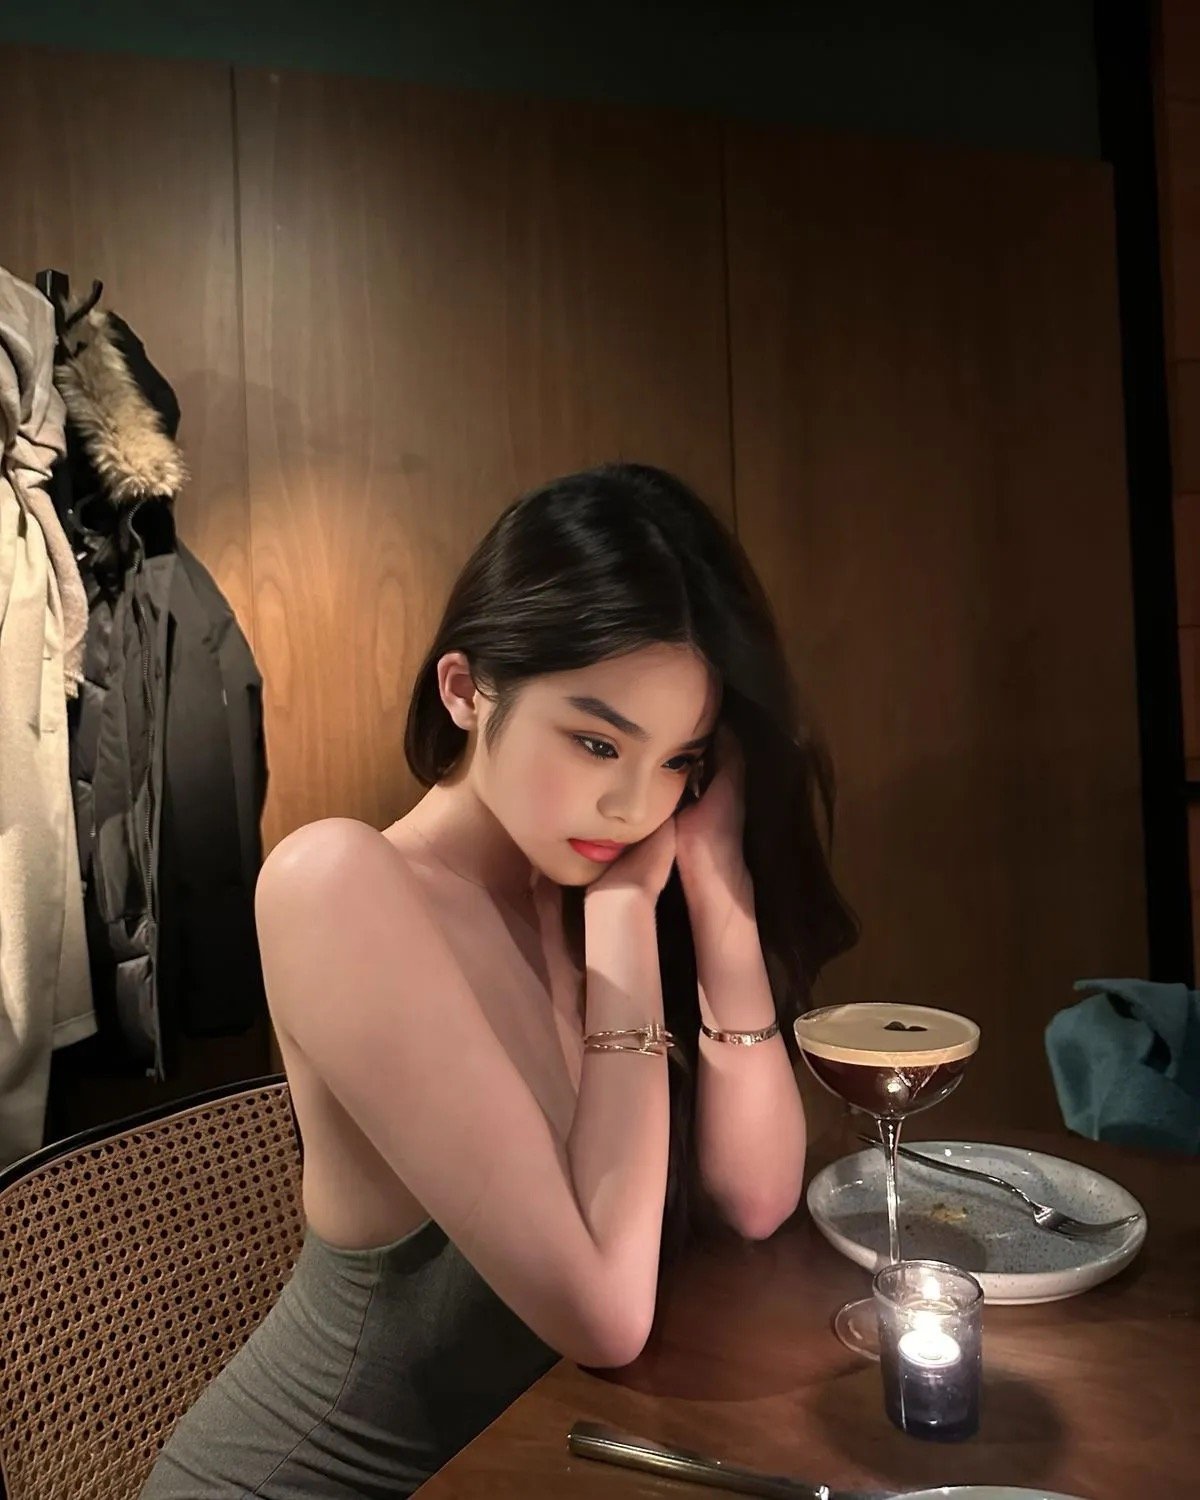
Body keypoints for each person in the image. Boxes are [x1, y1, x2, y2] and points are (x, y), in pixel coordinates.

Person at [140, 462, 858, 1499]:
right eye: (597, 741)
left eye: (678, 762)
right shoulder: (338, 886)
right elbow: (605, 1318)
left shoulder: (586, 883)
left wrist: (720, 889)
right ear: (466, 689)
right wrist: (624, 920)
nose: (633, 805)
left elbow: (754, 1200)